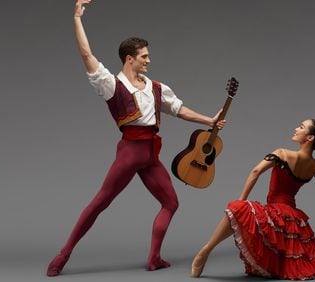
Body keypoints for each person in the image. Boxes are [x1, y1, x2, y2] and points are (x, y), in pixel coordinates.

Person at [46, 0, 226, 276]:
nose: (149, 60)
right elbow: (86, 54)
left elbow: (178, 109)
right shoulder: (111, 84)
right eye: (144, 56)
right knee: (100, 202)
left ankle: (154, 258)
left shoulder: (156, 87)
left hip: (150, 155)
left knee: (171, 203)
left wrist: (210, 120)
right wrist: (77, 18)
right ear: (129, 58)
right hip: (130, 152)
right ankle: (63, 254)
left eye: (148, 56)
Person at [191, 116, 315, 280]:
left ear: (310, 138)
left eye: (301, 127)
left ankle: (206, 250)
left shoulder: (282, 153)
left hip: (276, 212)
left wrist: (242, 200)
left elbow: (255, 172)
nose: (296, 129)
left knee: (237, 208)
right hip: (294, 218)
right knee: (312, 256)